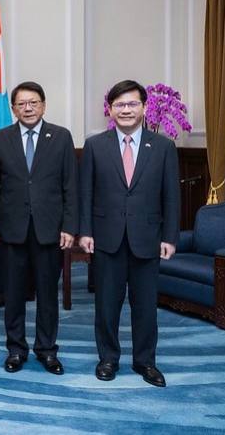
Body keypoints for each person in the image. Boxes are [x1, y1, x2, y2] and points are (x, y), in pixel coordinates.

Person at [79, 80, 179, 387]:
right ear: (110, 109)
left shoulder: (163, 146)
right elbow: (86, 193)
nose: (125, 110)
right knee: (106, 305)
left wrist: (170, 237)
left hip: (148, 239)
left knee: (145, 305)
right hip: (107, 238)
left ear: (144, 107)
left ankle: (145, 361)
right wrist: (85, 231)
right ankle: (108, 358)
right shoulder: (96, 145)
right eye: (119, 104)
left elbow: (171, 196)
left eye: (132, 104)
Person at [0, 81, 78, 375]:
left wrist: (69, 226)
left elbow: (70, 186)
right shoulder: (1, 138)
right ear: (13, 108)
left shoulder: (61, 137)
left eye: (33, 103)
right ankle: (16, 349)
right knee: (13, 294)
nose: (27, 108)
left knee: (47, 294)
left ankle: (46, 350)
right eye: (21, 104)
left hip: (49, 229)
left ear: (43, 105)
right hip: (12, 229)